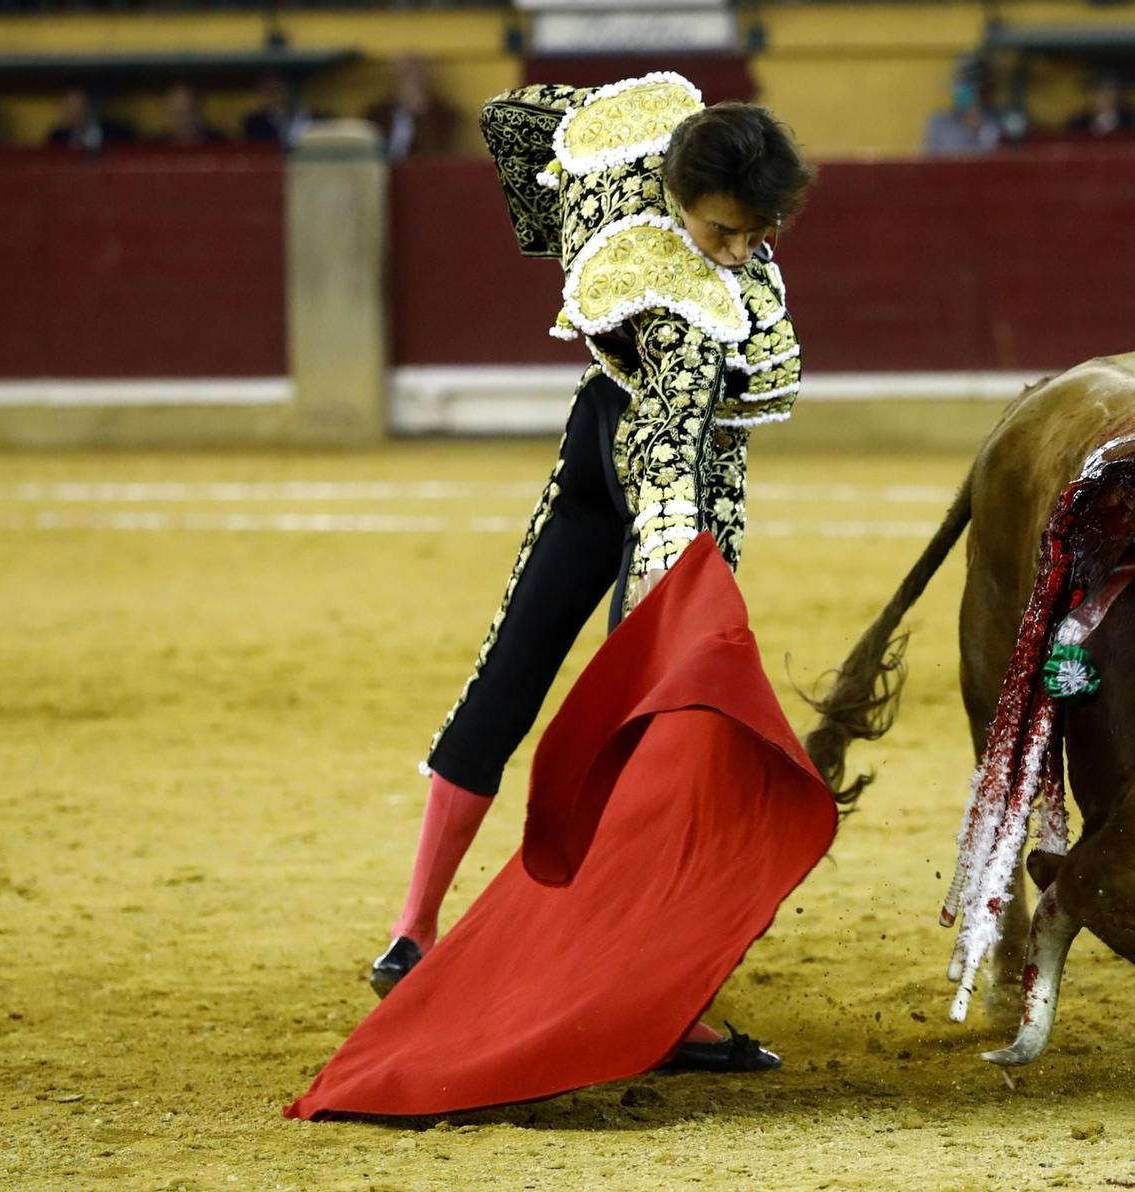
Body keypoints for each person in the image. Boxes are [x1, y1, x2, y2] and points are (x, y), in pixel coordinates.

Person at [371, 72, 811, 1074]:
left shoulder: (629, 171)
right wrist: (672, 587)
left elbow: (516, 116)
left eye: (755, 232)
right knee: (654, 734)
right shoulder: (694, 318)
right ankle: (644, 996)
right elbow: (669, 442)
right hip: (670, 476)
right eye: (723, 230)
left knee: (509, 666)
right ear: (680, 194)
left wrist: (554, 234)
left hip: (586, 447)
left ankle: (413, 930)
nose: (739, 251)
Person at [366, 54, 463, 160]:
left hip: (426, 172)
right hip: (382, 171)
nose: (410, 84)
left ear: (427, 79)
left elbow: (439, 153)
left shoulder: (444, 116)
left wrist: (420, 113)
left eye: (416, 77)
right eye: (404, 77)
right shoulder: (376, 114)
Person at [923, 58, 1002, 153]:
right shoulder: (941, 124)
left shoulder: (1000, 123)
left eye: (979, 90)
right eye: (963, 88)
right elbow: (930, 161)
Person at [46, 88, 133, 152]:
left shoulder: (116, 134)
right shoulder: (57, 137)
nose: (71, 111)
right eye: (68, 105)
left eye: (78, 106)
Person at [242, 72, 311, 148]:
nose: (272, 94)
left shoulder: (314, 117)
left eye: (276, 87)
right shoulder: (254, 123)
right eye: (266, 89)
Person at [1067, 70, 1135, 137]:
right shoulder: (1078, 125)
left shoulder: (1133, 123)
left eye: (1111, 90)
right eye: (1101, 91)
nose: (1107, 96)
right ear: (1091, 95)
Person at [159, 82, 224, 147]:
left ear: (200, 111)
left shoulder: (221, 144)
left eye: (190, 112)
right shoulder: (155, 146)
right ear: (168, 114)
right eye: (179, 114)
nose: (184, 121)